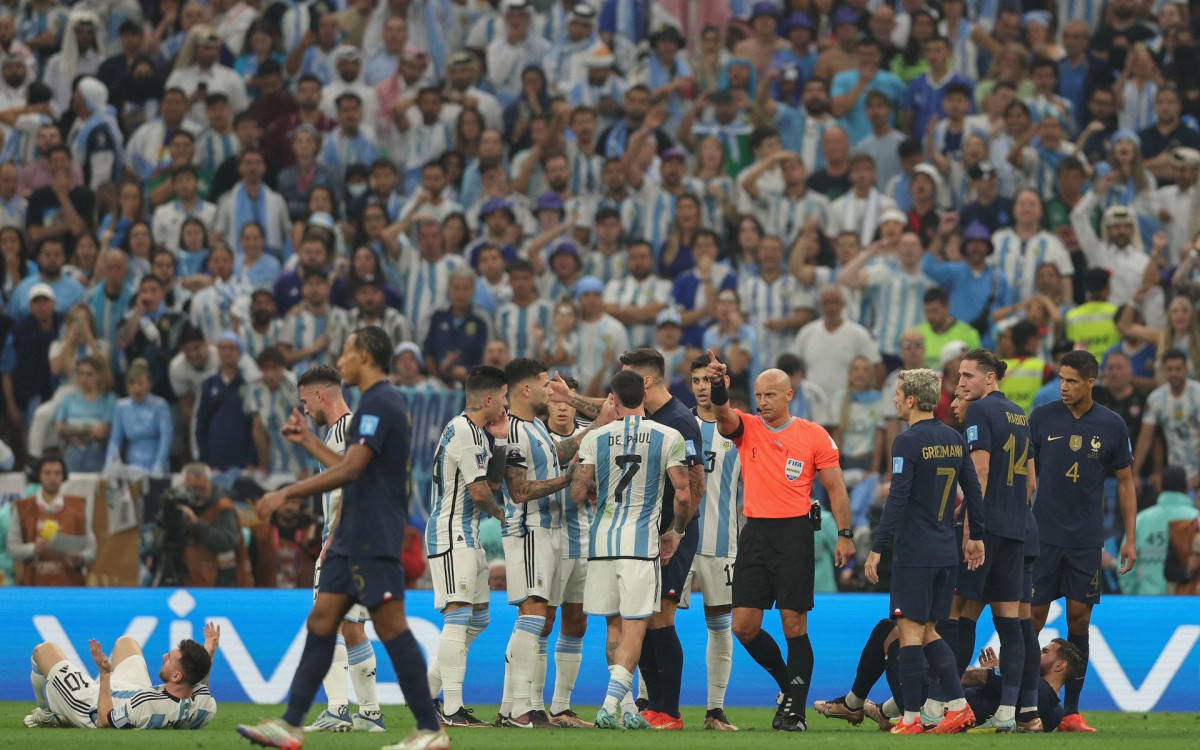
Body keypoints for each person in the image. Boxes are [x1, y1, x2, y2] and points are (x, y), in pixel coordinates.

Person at [238, 327, 446, 750]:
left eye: (349, 350)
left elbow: (352, 471)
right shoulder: (373, 406)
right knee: (322, 621)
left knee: (392, 630)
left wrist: (285, 493)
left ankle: (429, 729)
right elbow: (351, 464)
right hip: (352, 537)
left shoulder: (380, 404)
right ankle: (291, 724)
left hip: (370, 535)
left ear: (366, 355)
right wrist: (309, 442)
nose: (343, 357)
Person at [704, 352, 856, 731]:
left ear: (789, 395)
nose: (762, 402)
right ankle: (790, 685)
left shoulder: (813, 434)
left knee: (794, 625)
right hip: (754, 533)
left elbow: (836, 489)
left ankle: (795, 711)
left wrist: (845, 534)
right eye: (758, 395)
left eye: (770, 395)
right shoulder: (748, 427)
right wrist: (719, 383)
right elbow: (723, 414)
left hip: (794, 534)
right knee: (743, 626)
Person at [570, 368, 693, 730]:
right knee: (637, 629)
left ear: (613, 398)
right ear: (644, 392)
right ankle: (610, 705)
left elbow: (577, 491)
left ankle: (626, 710)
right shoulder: (667, 435)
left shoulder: (597, 438)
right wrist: (677, 532)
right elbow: (683, 494)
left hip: (602, 542)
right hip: (640, 545)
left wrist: (593, 488)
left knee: (613, 626)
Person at [865, 368, 986, 734]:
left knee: (910, 631)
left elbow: (897, 499)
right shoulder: (954, 438)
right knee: (930, 631)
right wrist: (975, 533)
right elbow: (973, 491)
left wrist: (876, 548)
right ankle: (957, 707)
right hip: (945, 550)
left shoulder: (907, 441)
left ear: (912, 399)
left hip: (914, 553)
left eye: (899, 392)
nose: (895, 399)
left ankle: (913, 718)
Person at [495, 359, 610, 728]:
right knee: (534, 617)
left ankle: (522, 709)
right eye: (546, 385)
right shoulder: (512, 431)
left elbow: (559, 455)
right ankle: (518, 708)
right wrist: (569, 480)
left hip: (553, 534)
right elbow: (518, 491)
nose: (552, 392)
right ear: (526, 390)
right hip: (530, 529)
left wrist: (596, 426)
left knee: (543, 617)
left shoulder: (534, 429)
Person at [1028, 349, 1138, 733]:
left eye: (1072, 381)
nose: (1063, 386)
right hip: (1043, 537)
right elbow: (1024, 464)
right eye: (1061, 379)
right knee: (1033, 619)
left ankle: (1071, 712)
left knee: (1079, 619)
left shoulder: (1112, 425)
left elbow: (1125, 483)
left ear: (1091, 382)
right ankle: (1024, 706)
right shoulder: (1041, 416)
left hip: (1085, 541)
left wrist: (1129, 538)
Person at [281, 364, 384, 733]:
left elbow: (353, 487)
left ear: (321, 395)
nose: (306, 409)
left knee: (326, 623)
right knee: (350, 625)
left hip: (346, 542)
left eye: (306, 401)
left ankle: (339, 710)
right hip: (363, 540)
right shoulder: (356, 428)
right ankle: (369, 714)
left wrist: (333, 537)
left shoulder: (344, 431)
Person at [950, 350, 1032, 733]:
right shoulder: (1020, 414)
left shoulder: (981, 412)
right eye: (959, 376)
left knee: (958, 611)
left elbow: (978, 472)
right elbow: (1030, 483)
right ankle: (1007, 714)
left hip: (988, 529)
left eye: (968, 375)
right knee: (1008, 622)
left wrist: (972, 532)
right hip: (1017, 528)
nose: (961, 383)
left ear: (990, 378)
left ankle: (945, 703)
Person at [423, 365, 508, 729]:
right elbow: (479, 491)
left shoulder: (476, 432)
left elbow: (491, 479)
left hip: (467, 535)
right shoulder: (465, 430)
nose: (505, 404)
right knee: (458, 616)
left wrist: (502, 440)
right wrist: (500, 512)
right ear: (488, 399)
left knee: (479, 618)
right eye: (503, 397)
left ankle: (424, 695)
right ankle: (454, 709)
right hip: (451, 532)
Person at [24, 622, 219, 730]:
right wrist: (207, 655)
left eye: (168, 659)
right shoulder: (206, 707)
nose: (163, 656)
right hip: (135, 690)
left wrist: (105, 674)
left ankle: (48, 715)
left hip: (96, 702)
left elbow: (104, 720)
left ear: (176, 676)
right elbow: (199, 685)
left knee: (43, 650)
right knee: (126, 642)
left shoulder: (147, 704)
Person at [686, 353, 741, 731]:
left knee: (720, 626)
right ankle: (645, 702)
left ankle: (714, 710)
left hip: (722, 544)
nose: (703, 387)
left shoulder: (740, 430)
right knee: (657, 621)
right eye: (696, 380)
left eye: (709, 380)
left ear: (721, 383)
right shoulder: (677, 425)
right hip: (679, 538)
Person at [7, 453, 94, 586]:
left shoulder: (78, 507)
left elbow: (91, 548)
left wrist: (82, 557)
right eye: (47, 473)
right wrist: (34, 549)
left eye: (57, 473)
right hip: (33, 585)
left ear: (63, 476)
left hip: (70, 586)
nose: (52, 478)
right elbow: (12, 548)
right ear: (39, 475)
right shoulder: (22, 508)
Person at [962, 639, 1084, 734]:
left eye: (1045, 652)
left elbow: (972, 676)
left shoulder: (1032, 684)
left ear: (1060, 666)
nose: (1037, 654)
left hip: (950, 708)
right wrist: (996, 670)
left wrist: (946, 674)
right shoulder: (1056, 715)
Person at [1121, 466, 1199, 595]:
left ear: (1159, 487)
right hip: (1189, 605)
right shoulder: (1196, 519)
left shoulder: (1141, 520)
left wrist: (1134, 596)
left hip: (1147, 602)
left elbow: (1123, 563)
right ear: (1186, 488)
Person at [175, 463, 253, 588]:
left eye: (203, 489)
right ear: (184, 486)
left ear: (210, 485)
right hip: (189, 577)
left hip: (221, 580)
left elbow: (226, 541)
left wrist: (198, 524)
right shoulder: (180, 506)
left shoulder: (223, 508)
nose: (198, 493)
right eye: (193, 488)